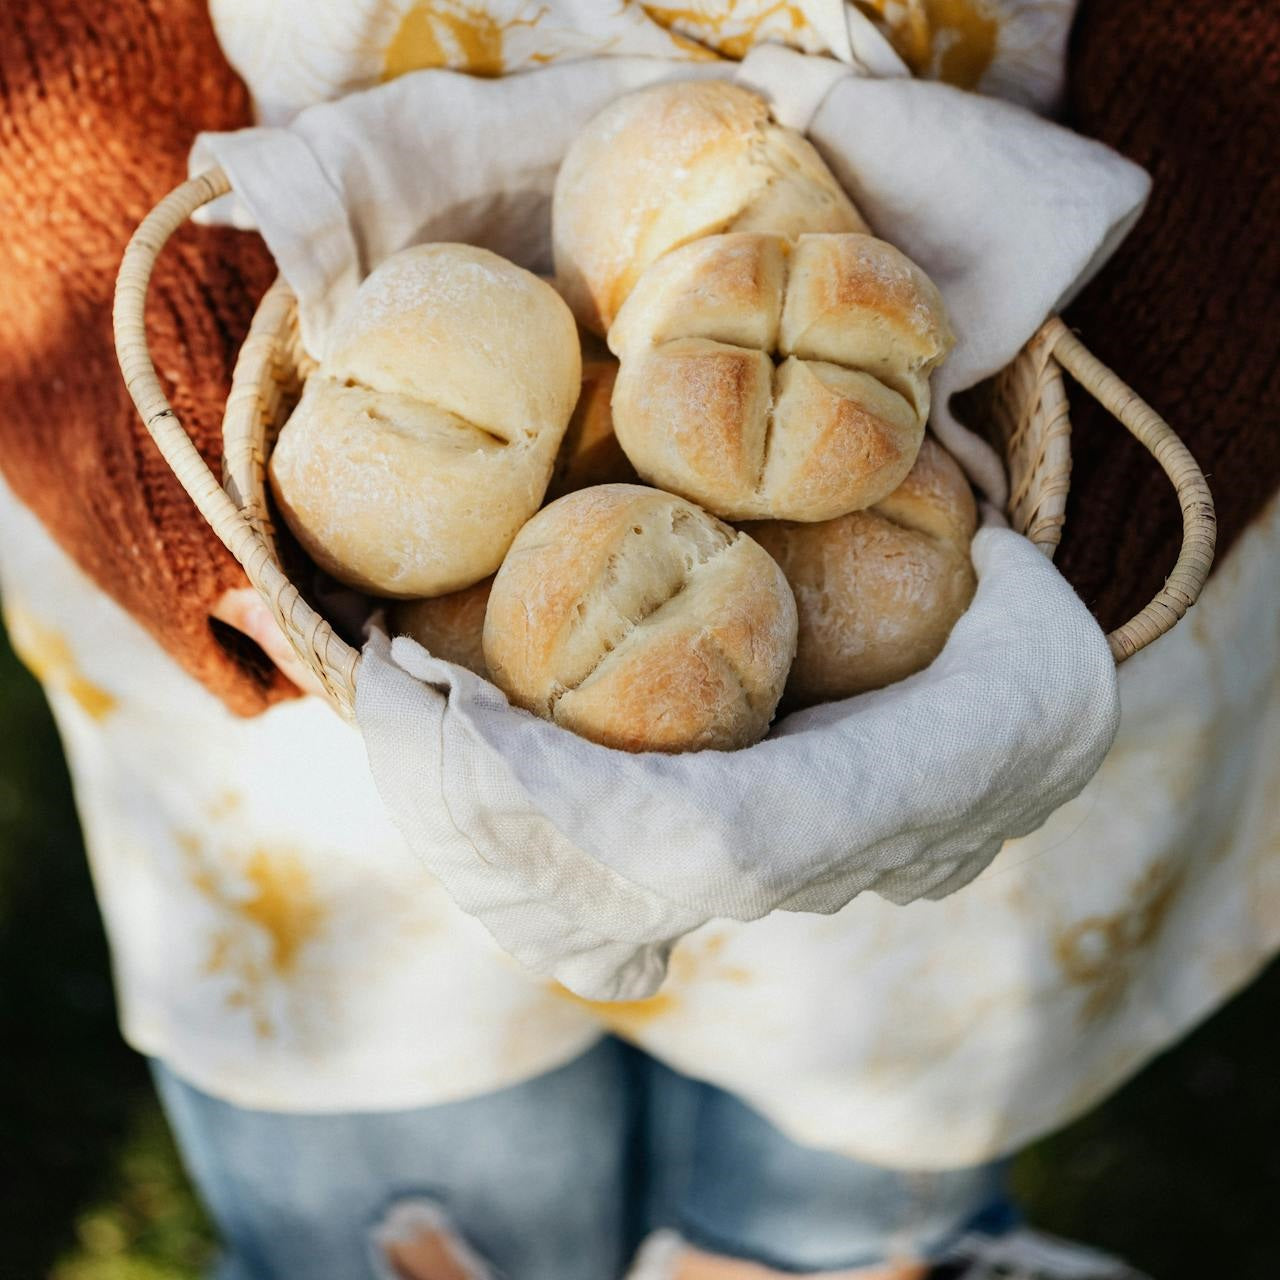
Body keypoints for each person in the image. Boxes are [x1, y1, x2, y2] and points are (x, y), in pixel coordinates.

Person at [0, 2, 1276, 1277]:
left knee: (839, 1163)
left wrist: (1202, 301)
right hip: (298, 655)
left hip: (1063, 440)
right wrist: (124, 332)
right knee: (409, 1172)